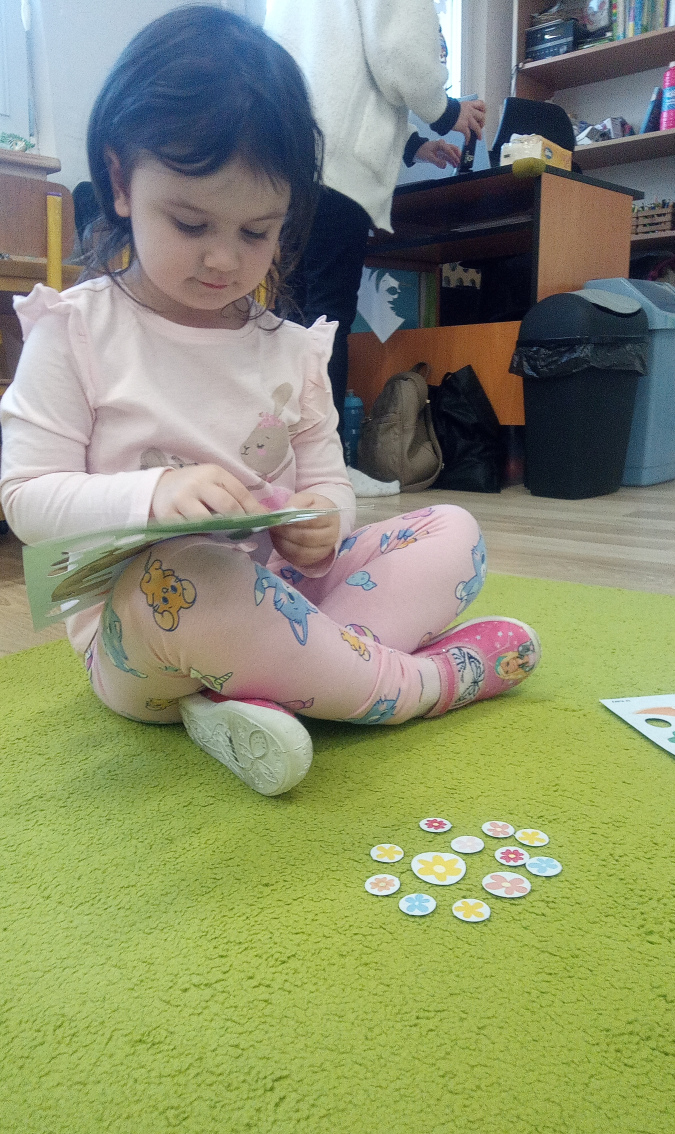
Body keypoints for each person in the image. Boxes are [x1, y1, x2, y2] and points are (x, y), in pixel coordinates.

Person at [0, 6, 539, 799]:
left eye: (257, 233)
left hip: (285, 595)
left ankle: (275, 688)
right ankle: (416, 686)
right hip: (146, 631)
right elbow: (25, 497)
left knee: (453, 531)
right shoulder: (75, 331)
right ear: (119, 183)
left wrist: (323, 522)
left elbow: (324, 482)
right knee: (195, 574)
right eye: (190, 223)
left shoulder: (290, 350)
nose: (224, 259)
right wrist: (153, 495)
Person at [264, 0, 486, 433]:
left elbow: (337, 64)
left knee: (290, 314)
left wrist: (412, 144)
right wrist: (446, 111)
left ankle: (281, 451)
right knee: (327, 317)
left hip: (288, 156)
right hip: (338, 166)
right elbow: (399, 50)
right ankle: (323, 456)